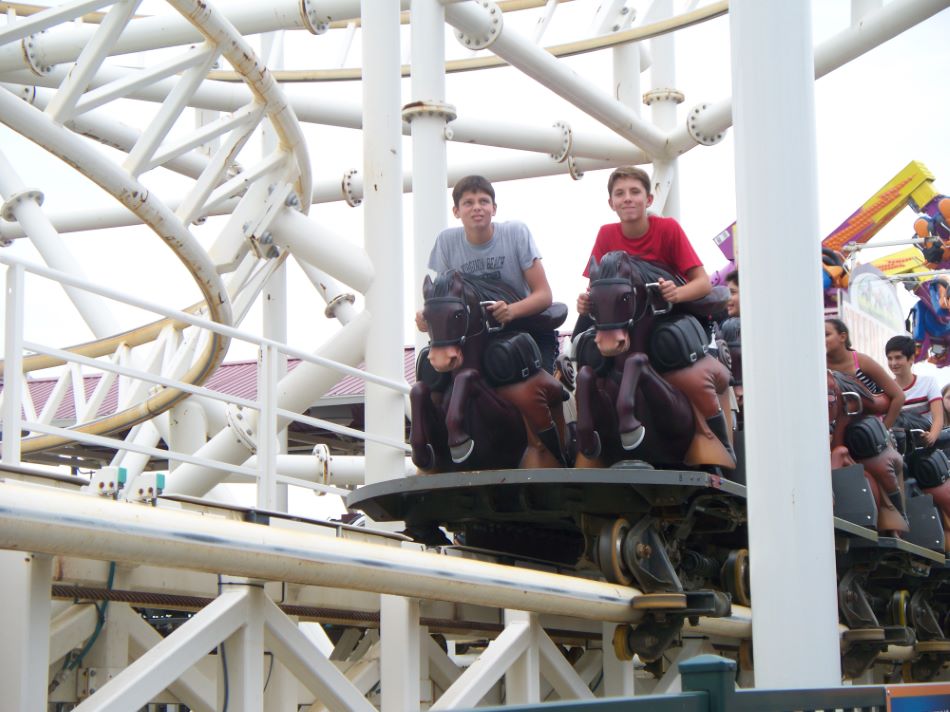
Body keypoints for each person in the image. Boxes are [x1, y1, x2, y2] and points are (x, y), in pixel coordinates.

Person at [416, 175, 558, 372]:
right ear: (456, 211)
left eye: (484, 201)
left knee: (540, 388)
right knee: (431, 379)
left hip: (524, 327)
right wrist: (427, 318)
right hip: (474, 338)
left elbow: (544, 294)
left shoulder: (516, 233)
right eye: (468, 203)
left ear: (494, 208)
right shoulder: (446, 242)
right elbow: (444, 300)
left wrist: (511, 311)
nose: (477, 207)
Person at [575, 166, 712, 336]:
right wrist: (586, 303)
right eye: (620, 194)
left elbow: (703, 283)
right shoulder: (606, 234)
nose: (627, 199)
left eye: (635, 192)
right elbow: (597, 290)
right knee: (585, 346)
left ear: (648, 200)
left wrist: (676, 293)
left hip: (667, 316)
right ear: (611, 203)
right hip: (625, 320)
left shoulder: (668, 228)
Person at [825, 317, 904, 429]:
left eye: (826, 335)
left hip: (866, 428)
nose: (822, 339)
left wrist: (883, 430)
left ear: (842, 337)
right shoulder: (819, 367)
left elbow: (899, 396)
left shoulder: (862, 362)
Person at [885, 334, 943, 447]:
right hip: (897, 445)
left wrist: (931, 437)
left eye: (898, 357)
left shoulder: (928, 383)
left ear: (911, 358)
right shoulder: (886, 390)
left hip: (922, 442)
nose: (893, 363)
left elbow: (938, 417)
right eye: (890, 358)